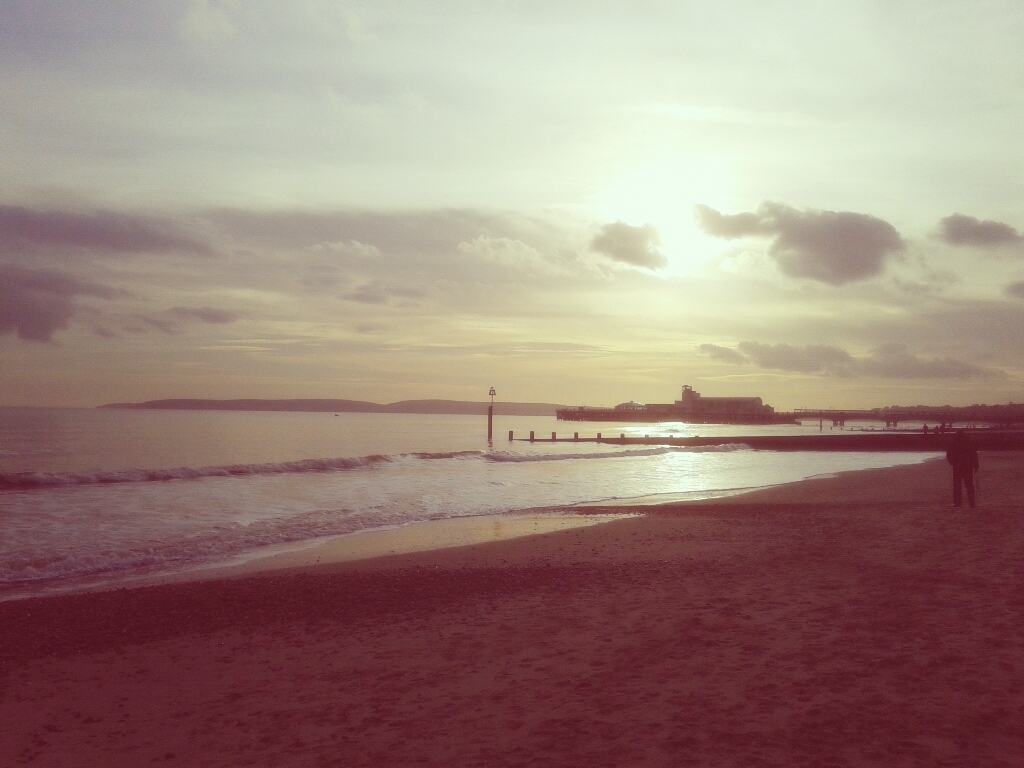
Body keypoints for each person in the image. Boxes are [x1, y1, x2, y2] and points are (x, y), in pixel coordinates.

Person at [945, 430, 979, 508]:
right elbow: (974, 454)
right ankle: (972, 503)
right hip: (967, 466)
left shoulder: (954, 443)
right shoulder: (968, 443)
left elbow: (948, 454)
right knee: (969, 485)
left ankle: (957, 503)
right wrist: (976, 465)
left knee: (957, 486)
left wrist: (952, 462)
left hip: (957, 467)